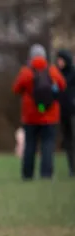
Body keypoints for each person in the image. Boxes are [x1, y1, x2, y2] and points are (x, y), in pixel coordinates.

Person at [12, 44, 66, 181]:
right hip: (50, 115)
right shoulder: (52, 70)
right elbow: (62, 85)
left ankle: (27, 174)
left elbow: (16, 89)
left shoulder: (26, 71)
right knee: (47, 145)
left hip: (30, 115)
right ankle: (46, 174)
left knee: (30, 145)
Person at [56, 49, 75, 177]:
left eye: (61, 59)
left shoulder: (73, 74)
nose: (58, 62)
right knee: (68, 141)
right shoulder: (57, 74)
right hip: (63, 112)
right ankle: (72, 168)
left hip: (73, 111)